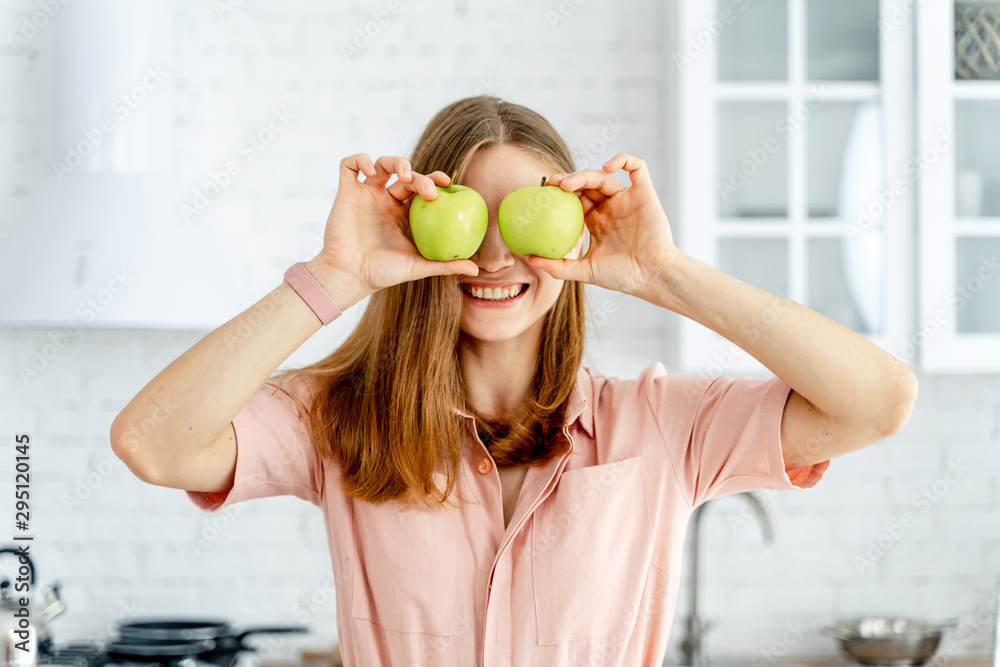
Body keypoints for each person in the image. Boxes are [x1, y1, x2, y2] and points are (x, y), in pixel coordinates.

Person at [110, 95, 918, 666]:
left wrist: (662, 272)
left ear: (573, 230)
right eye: (469, 219)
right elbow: (151, 441)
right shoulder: (342, 418)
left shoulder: (666, 426)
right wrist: (337, 274)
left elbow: (880, 401)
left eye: (523, 218)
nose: (494, 256)